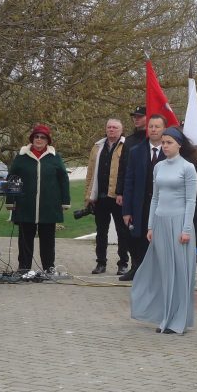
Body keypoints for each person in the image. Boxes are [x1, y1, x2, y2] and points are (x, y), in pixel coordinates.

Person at [130, 127, 197, 334]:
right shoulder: (158, 167)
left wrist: (186, 229)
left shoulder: (188, 168)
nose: (165, 146)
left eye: (169, 142)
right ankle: (164, 315)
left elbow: (191, 200)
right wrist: (151, 225)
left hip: (179, 224)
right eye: (163, 142)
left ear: (179, 144)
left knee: (178, 272)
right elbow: (155, 197)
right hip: (160, 223)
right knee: (162, 271)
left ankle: (178, 319)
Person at [6, 124, 70, 273]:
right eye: (37, 137)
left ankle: (48, 268)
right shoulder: (21, 157)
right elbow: (12, 178)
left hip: (49, 205)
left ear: (47, 141)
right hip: (25, 204)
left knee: (48, 239)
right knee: (25, 239)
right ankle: (24, 268)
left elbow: (63, 179)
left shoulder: (55, 158)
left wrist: (65, 201)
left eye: (42, 137)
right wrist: (10, 200)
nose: (39, 140)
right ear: (32, 139)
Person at [119, 114, 166, 281]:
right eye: (151, 126)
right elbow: (129, 181)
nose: (153, 129)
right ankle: (137, 269)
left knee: (159, 239)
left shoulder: (170, 152)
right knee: (137, 239)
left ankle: (158, 274)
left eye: (157, 126)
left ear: (164, 129)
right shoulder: (136, 151)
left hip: (163, 205)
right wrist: (126, 210)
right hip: (141, 204)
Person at [85, 118, 130, 275]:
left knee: (122, 232)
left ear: (121, 130)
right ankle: (101, 263)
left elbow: (128, 173)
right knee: (101, 231)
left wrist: (124, 193)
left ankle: (123, 263)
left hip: (118, 197)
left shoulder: (127, 147)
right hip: (101, 197)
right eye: (109, 127)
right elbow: (90, 172)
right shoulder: (97, 147)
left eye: (115, 127)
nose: (111, 130)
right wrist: (89, 195)